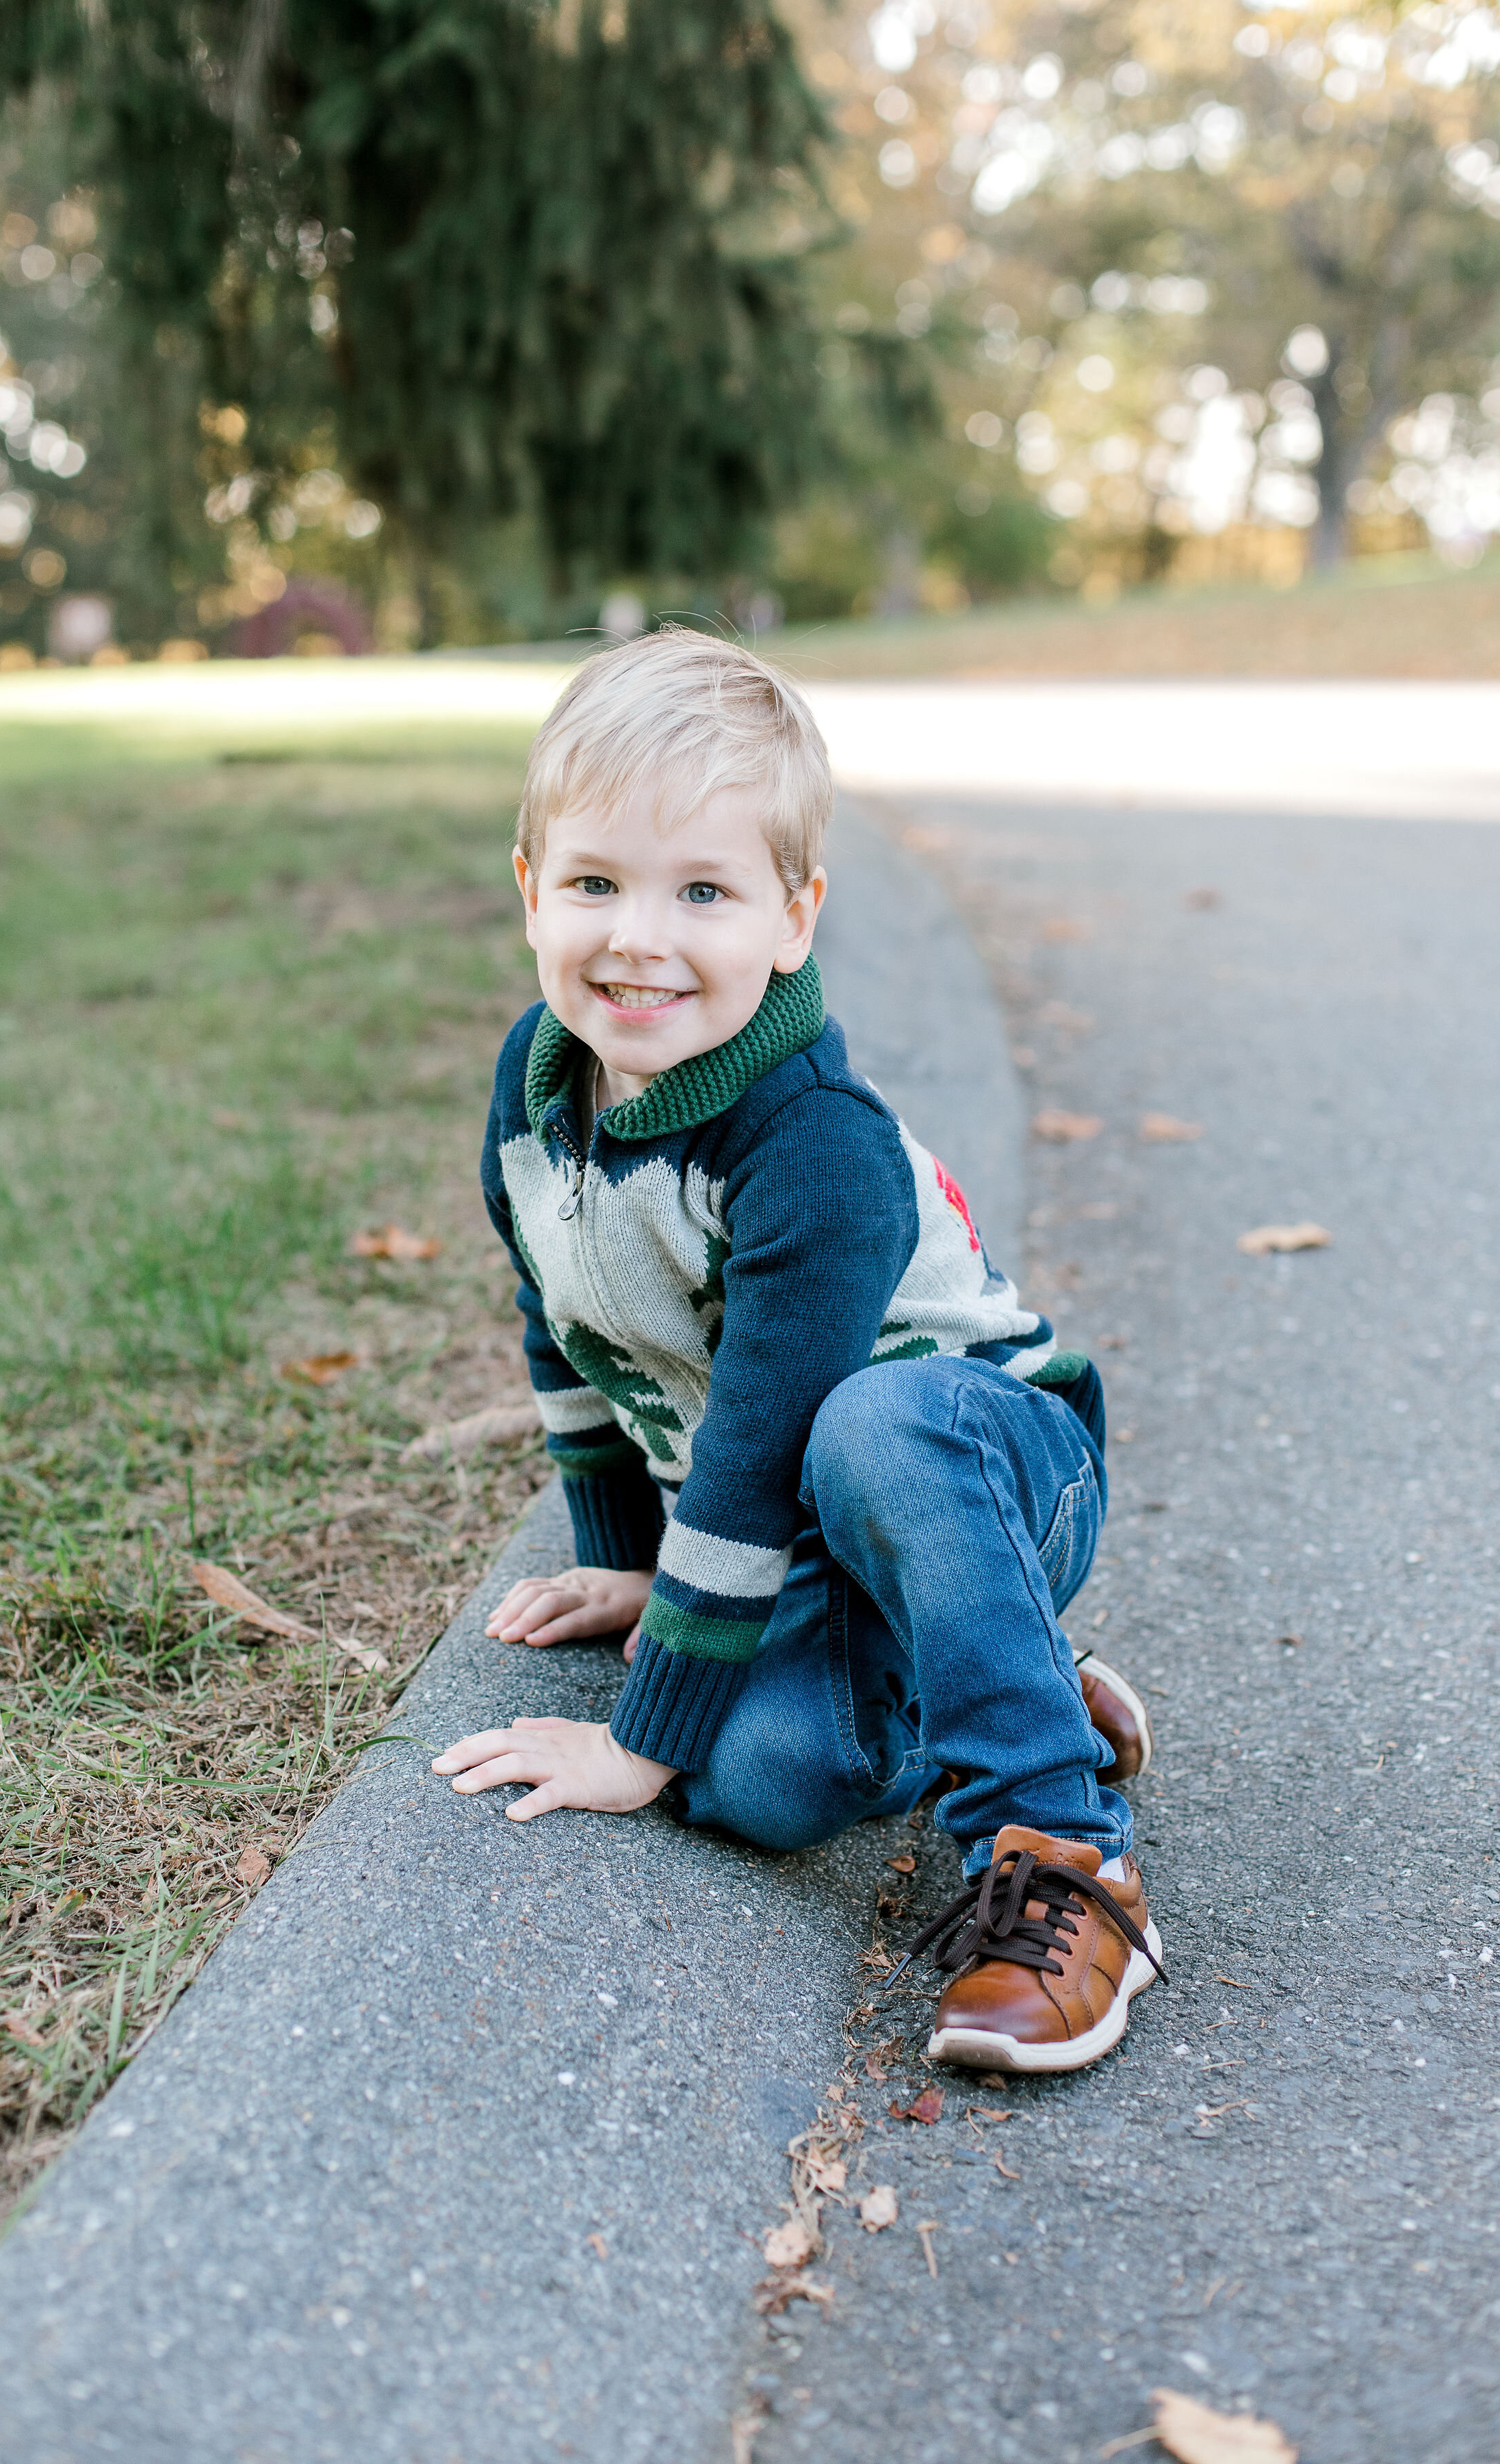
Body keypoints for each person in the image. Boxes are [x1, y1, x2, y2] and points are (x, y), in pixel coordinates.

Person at [432, 629, 1165, 2074]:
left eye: (703, 890)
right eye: (596, 883)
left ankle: (1070, 1853)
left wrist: (636, 1749)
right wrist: (634, 1562)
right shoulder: (536, 1094)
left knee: (867, 1431)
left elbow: (767, 1443)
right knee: (771, 1778)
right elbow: (568, 1332)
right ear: (530, 891)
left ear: (795, 916)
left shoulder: (810, 1149)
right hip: (816, 1507)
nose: (640, 935)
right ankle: (991, 1661)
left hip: (986, 1454)